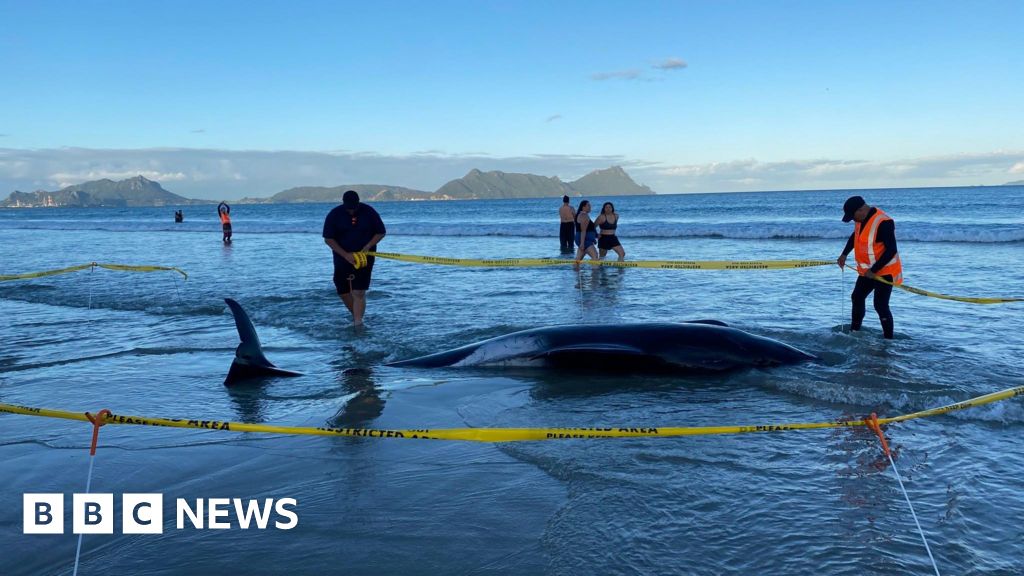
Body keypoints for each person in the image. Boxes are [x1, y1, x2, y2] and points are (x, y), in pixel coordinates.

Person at [837, 196, 903, 339]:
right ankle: (855, 332)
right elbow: (855, 236)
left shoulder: (884, 222)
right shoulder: (861, 220)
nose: (853, 221)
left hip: (884, 271)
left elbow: (891, 250)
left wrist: (874, 270)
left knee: (880, 305)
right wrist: (844, 254)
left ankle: (888, 340)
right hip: (867, 272)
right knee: (857, 297)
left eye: (853, 217)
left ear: (861, 210)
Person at [323, 190, 387, 326]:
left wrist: (368, 246)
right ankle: (356, 314)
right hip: (342, 256)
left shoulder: (369, 212)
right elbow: (328, 239)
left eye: (354, 208)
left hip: (365, 256)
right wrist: (345, 255)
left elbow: (381, 232)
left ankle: (358, 322)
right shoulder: (334, 214)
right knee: (343, 291)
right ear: (343, 203)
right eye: (349, 208)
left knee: (358, 291)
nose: (352, 211)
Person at [573, 200, 599, 266]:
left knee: (578, 259)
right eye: (588, 206)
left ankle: (575, 274)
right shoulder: (584, 215)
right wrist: (582, 243)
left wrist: (594, 236)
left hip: (583, 239)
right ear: (583, 207)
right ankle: (595, 275)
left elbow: (587, 229)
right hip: (584, 240)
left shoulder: (581, 214)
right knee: (595, 256)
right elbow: (583, 231)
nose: (590, 207)